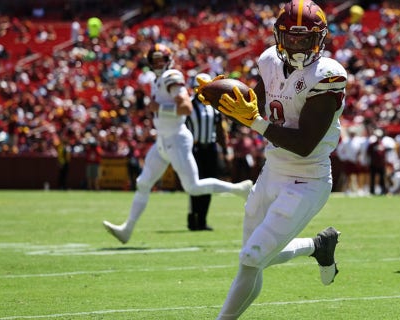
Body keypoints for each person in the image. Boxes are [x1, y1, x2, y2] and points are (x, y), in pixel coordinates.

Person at [196, 1, 346, 318]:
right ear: (279, 36)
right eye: (291, 37)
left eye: (305, 38)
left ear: (320, 39)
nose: (297, 44)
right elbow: (254, 104)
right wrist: (223, 96)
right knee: (251, 257)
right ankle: (317, 246)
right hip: (272, 171)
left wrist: (254, 121)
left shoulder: (328, 75)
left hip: (307, 179)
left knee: (253, 255)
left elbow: (304, 144)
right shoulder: (268, 61)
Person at [102, 43, 253, 244]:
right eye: (153, 61)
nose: (157, 64)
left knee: (193, 187)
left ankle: (239, 190)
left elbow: (186, 107)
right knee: (143, 183)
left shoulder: (172, 76)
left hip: (177, 138)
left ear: (168, 60)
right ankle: (127, 229)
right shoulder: (158, 80)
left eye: (160, 60)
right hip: (163, 140)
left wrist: (160, 109)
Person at [185, 73, 230, 231]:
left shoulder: (214, 106)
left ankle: (202, 219)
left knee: (209, 184)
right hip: (194, 148)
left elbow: (220, 130)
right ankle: (193, 217)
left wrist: (225, 149)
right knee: (195, 184)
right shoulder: (188, 105)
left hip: (210, 148)